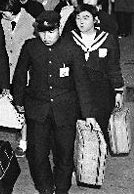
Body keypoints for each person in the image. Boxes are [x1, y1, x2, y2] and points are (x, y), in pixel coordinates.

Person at [13, 11, 96, 194]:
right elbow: (20, 75)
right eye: (42, 33)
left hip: (65, 110)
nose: (46, 37)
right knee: (38, 154)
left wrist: (88, 113)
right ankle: (45, 188)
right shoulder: (30, 47)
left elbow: (81, 82)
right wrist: (18, 101)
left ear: (58, 28)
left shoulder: (72, 48)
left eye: (50, 32)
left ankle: (62, 189)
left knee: (64, 155)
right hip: (37, 109)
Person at [69, 4, 124, 137]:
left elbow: (113, 67)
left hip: (101, 90)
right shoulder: (69, 38)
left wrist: (118, 91)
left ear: (95, 20)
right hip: (75, 89)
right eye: (78, 18)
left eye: (86, 17)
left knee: (101, 126)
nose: (81, 21)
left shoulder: (107, 39)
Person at [0, 0, 35, 158]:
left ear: (11, 10)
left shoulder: (31, 22)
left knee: (24, 108)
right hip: (9, 71)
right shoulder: (3, 22)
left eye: (4, 12)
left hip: (26, 73)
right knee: (14, 107)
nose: (2, 15)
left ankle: (24, 142)